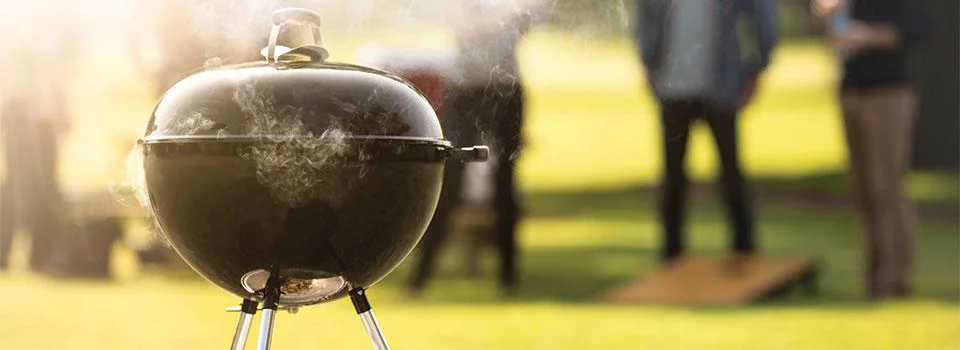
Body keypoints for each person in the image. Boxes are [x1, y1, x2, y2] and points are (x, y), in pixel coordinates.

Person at [409, 0, 554, 292]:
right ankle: (421, 274)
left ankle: (509, 276)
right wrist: (511, 10)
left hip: (507, 91)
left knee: (507, 181)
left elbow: (527, 24)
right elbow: (467, 29)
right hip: (466, 91)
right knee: (449, 179)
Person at [635, 0, 778, 263]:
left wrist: (758, 68)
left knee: (731, 173)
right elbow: (646, 18)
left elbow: (761, 16)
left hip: (720, 87)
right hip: (672, 87)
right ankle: (671, 255)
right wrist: (647, 64)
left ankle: (744, 252)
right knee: (672, 177)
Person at [813, 0, 929, 299]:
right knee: (862, 188)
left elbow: (919, 28)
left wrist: (867, 36)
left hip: (889, 89)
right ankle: (874, 276)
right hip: (851, 87)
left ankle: (896, 279)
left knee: (887, 185)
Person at [0, 0, 76, 271]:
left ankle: (41, 253)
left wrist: (62, 110)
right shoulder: (17, 20)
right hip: (20, 110)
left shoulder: (49, 26)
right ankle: (8, 251)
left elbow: (53, 74)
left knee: (46, 182)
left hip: (44, 114)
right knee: (19, 183)